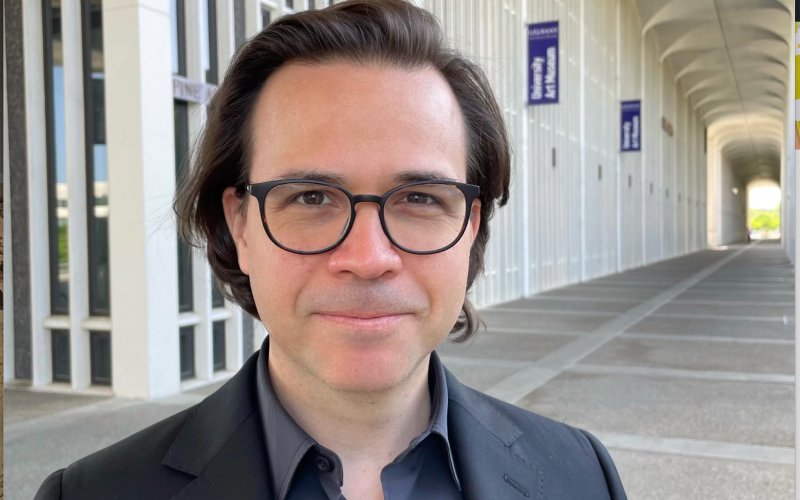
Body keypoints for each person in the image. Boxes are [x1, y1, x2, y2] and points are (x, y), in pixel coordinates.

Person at [36, 1, 626, 498]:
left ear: (470, 225)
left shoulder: (581, 476)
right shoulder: (92, 492)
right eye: (312, 196)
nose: (369, 258)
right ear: (239, 225)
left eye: (420, 197)